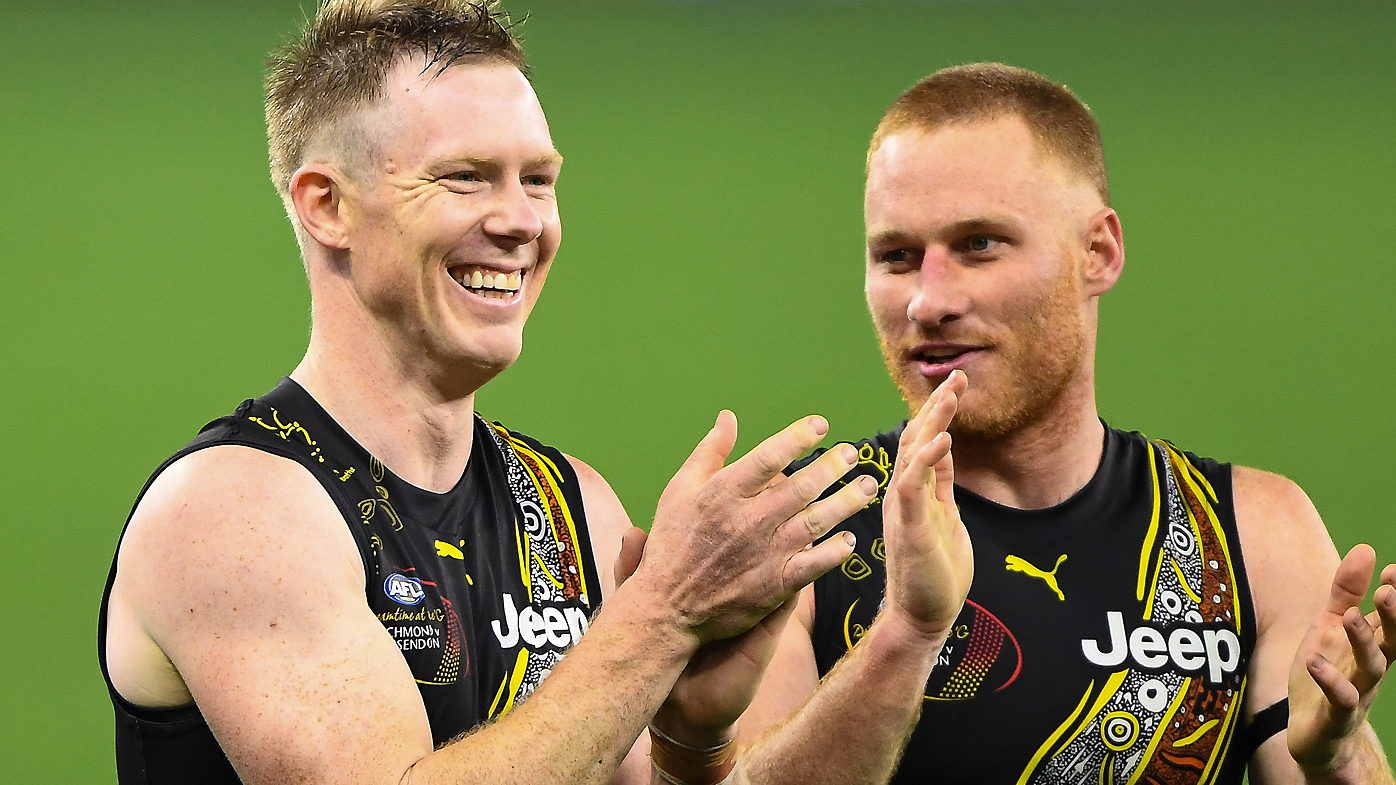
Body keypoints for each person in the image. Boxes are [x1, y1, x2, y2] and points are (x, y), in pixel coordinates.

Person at [95, 2, 899, 783]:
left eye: (538, 180)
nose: (521, 221)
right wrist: (660, 621)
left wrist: (693, 741)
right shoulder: (232, 512)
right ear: (328, 205)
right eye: (466, 177)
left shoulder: (572, 505)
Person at [684, 63, 1394, 785]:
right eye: (897, 256)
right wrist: (906, 634)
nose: (928, 301)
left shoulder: (1253, 534)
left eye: (979, 244)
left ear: (1099, 252)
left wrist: (1337, 760)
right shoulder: (799, 529)